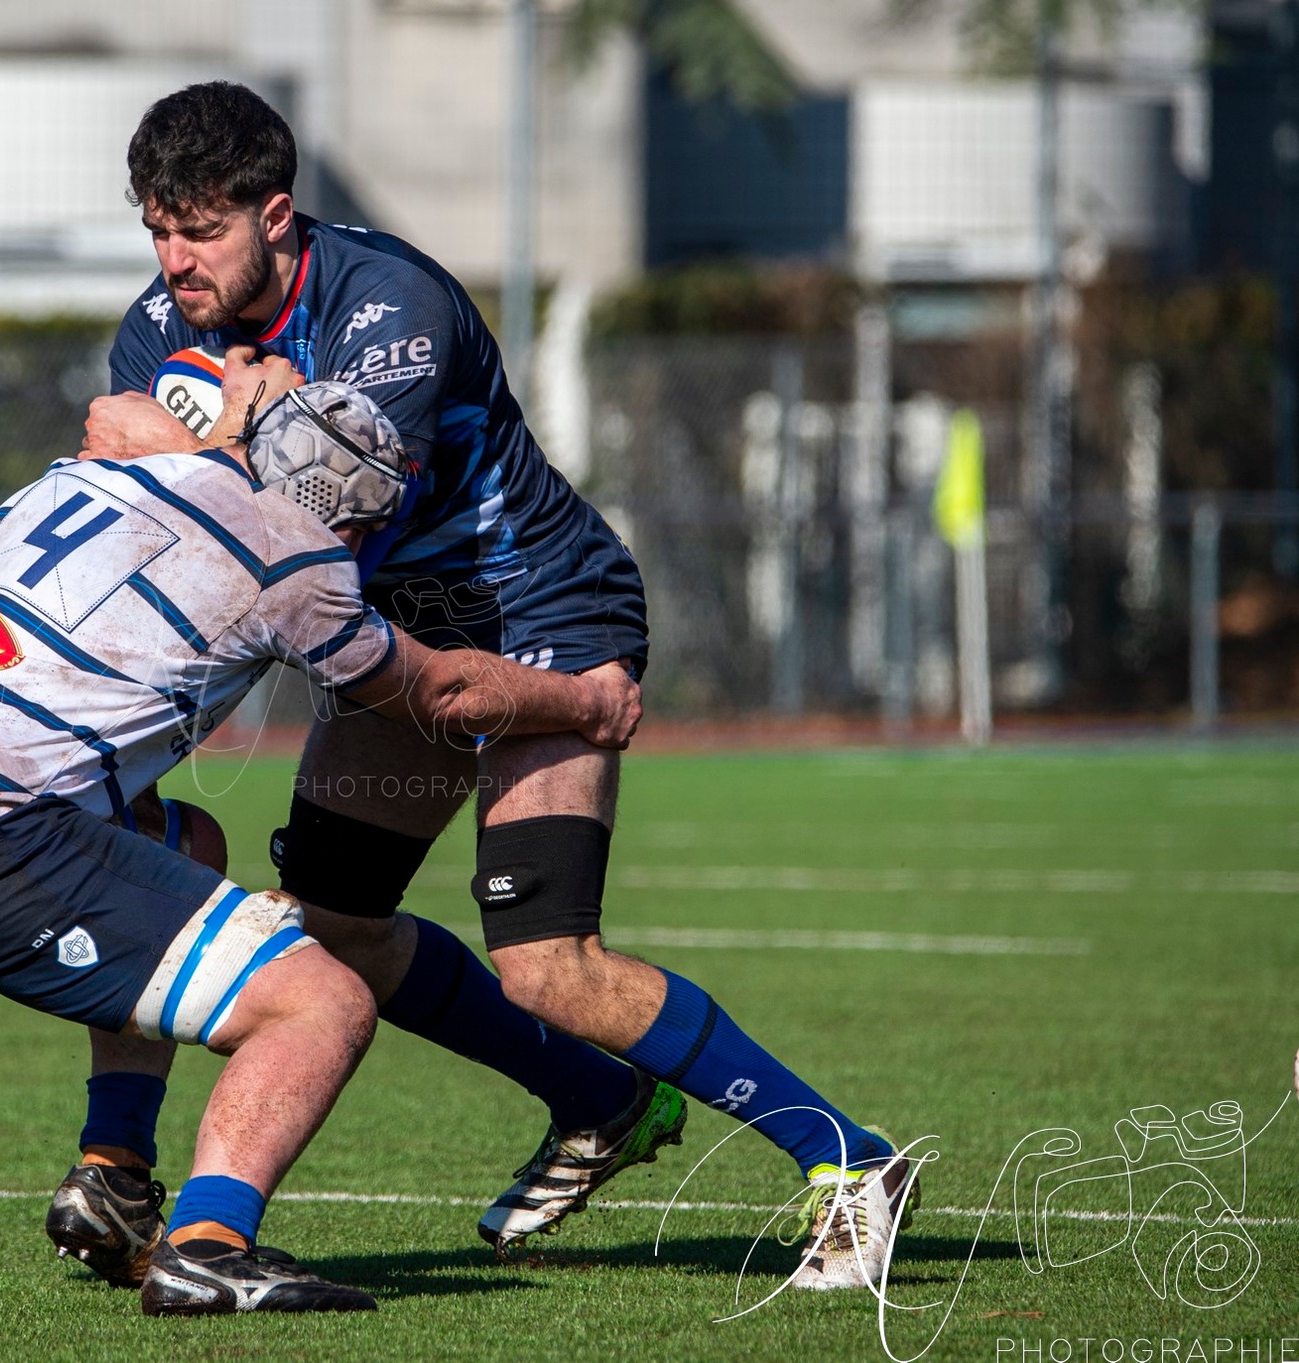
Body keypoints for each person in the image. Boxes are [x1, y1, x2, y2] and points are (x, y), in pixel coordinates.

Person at [68, 81, 919, 1292]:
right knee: (328, 929)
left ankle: (851, 1161)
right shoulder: (160, 326)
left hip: (541, 620)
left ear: (275, 213)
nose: (173, 260)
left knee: (547, 961)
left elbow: (331, 492)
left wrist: (203, 441)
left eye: (198, 230)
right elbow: (175, 517)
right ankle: (597, 1100)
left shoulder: (391, 304)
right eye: (155, 228)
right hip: (394, 640)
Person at [0, 383, 644, 1315]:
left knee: (189, 842)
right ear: (357, 515)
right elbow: (441, 695)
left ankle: (116, 1170)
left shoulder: (71, 482)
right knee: (322, 999)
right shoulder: (296, 550)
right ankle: (210, 1245)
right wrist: (588, 703)